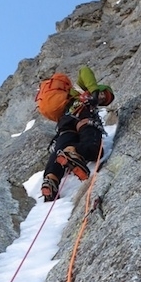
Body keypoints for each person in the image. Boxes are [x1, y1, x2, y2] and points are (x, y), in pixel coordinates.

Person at [40, 66, 114, 201]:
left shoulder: (72, 97)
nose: (103, 99)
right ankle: (73, 152)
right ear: (101, 88)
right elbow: (84, 70)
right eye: (105, 94)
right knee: (94, 148)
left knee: (60, 148)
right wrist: (94, 90)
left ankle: (51, 179)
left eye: (105, 100)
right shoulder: (82, 92)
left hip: (66, 120)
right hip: (83, 115)